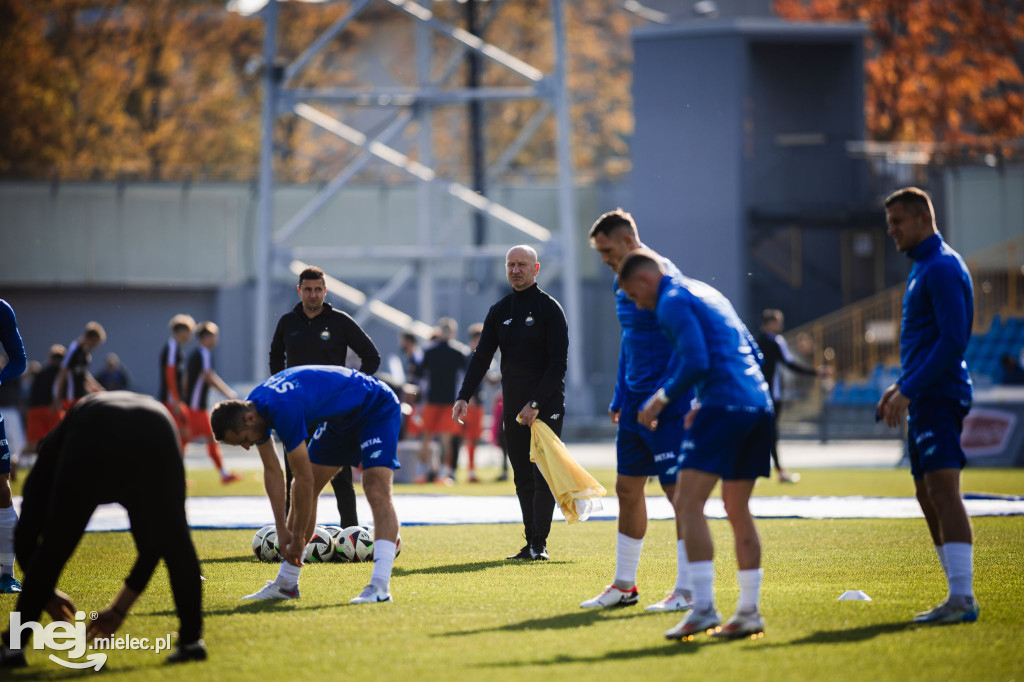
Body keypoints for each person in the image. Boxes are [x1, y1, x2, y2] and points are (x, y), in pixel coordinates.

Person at [617, 249, 773, 641]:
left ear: (644, 280)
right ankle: (749, 611)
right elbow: (751, 350)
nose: (638, 305)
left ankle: (702, 607)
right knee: (737, 508)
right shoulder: (707, 292)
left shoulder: (670, 301)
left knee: (687, 504)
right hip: (758, 405)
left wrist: (661, 398)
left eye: (635, 296)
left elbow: (697, 361)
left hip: (722, 407)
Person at [0, 392, 206, 667]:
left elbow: (26, 536)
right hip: (157, 425)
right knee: (176, 542)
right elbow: (153, 546)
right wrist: (119, 610)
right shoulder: (60, 445)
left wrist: (44, 592)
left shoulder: (52, 451)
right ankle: (192, 642)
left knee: (55, 546)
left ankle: (13, 648)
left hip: (96, 432)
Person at [580, 209, 695, 613]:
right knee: (627, 489)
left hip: (668, 405)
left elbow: (687, 344)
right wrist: (619, 395)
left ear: (628, 240)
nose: (605, 260)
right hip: (632, 405)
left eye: (607, 250)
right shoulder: (621, 282)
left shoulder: (663, 277)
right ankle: (624, 586)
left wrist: (666, 396)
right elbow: (630, 342)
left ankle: (688, 589)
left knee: (678, 494)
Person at [211, 365, 401, 604]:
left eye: (244, 440)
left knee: (375, 488)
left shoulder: (282, 409)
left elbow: (303, 479)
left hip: (375, 405)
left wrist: (299, 536)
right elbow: (272, 471)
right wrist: (281, 528)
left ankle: (380, 587)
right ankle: (287, 584)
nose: (247, 446)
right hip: (340, 420)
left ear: (248, 419)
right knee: (305, 488)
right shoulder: (253, 408)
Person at [876, 186, 978, 624]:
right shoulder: (923, 267)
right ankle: (954, 594)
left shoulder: (940, 268)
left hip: (939, 394)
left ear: (923, 219)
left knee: (943, 491)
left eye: (898, 222)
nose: (892, 231)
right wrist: (900, 384)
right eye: (889, 224)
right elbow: (927, 340)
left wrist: (911, 388)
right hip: (924, 392)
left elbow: (954, 339)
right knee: (925, 492)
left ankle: (962, 598)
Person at [453, 245, 567, 561]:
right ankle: (530, 542)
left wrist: (535, 403)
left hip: (545, 404)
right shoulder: (500, 310)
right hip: (514, 406)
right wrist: (464, 395)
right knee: (521, 474)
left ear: (536, 269)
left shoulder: (550, 309)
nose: (515, 270)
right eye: (510, 264)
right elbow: (481, 358)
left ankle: (539, 543)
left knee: (542, 473)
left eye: (522, 264)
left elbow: (558, 364)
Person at [270, 265, 381, 528]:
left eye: (318, 289)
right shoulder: (288, 322)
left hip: (332, 412)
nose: (313, 295)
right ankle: (289, 537)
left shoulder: (340, 321)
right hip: (297, 411)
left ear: (325, 291)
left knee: (340, 476)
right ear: (299, 291)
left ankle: (351, 534)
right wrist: (280, 385)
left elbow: (372, 357)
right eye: (307, 289)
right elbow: (275, 355)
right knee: (294, 476)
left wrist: (352, 389)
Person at [756, 308, 820, 484]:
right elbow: (790, 364)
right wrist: (815, 372)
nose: (781, 325)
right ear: (769, 323)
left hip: (756, 395)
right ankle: (778, 472)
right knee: (771, 433)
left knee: (760, 434)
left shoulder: (756, 341)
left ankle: (756, 472)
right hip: (772, 396)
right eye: (777, 321)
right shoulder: (776, 341)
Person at [185, 322, 242, 484]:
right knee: (184, 442)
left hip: (193, 406)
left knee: (205, 439)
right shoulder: (204, 354)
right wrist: (228, 393)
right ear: (206, 337)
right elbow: (209, 377)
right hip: (195, 408)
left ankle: (223, 474)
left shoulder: (196, 354)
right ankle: (223, 474)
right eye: (214, 335)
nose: (216, 339)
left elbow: (186, 380)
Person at [415, 318, 467, 485]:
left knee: (427, 437)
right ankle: (444, 474)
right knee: (446, 440)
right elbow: (465, 375)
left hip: (433, 399)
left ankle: (423, 473)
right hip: (447, 401)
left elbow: (420, 374)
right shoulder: (458, 352)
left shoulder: (430, 351)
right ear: (453, 332)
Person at [0, 300, 28, 594]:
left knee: (1, 487)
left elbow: (19, 360)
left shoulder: (2, 310)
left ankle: (7, 573)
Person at [20, 345, 66, 477]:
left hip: (35, 409)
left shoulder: (41, 372)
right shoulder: (62, 372)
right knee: (58, 441)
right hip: (52, 409)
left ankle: (14, 461)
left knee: (33, 444)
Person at [160, 314, 195, 453]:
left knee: (184, 435)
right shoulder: (172, 347)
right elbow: (169, 372)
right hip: (171, 400)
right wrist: (175, 399)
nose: (190, 337)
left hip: (175, 399)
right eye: (189, 332)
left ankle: (176, 469)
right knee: (181, 434)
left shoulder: (176, 348)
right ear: (182, 331)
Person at [54, 321, 106, 410]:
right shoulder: (74, 349)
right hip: (70, 397)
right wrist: (57, 398)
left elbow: (83, 375)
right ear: (91, 339)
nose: (95, 346)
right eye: (96, 343)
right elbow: (63, 372)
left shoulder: (85, 353)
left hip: (79, 397)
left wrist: (98, 389)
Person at [461, 323, 487, 483]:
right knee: (466, 437)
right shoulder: (467, 357)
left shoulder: (482, 356)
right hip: (470, 403)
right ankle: (468, 471)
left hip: (478, 402)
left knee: (475, 437)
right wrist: (467, 398)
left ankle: (471, 470)